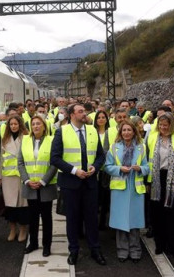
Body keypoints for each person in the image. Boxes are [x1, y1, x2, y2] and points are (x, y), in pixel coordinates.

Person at [50, 103, 107, 266]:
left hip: (90, 182)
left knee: (91, 218)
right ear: (72, 115)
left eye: (85, 111)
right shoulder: (62, 132)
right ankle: (73, 250)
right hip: (70, 183)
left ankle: (95, 249)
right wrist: (75, 171)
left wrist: (95, 167)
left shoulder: (92, 130)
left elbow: (100, 156)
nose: (85, 114)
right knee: (73, 219)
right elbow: (55, 158)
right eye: (80, 111)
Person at [146, 112, 174, 258]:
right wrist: (147, 181)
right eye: (160, 125)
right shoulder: (152, 137)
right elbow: (147, 160)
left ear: (171, 125)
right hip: (157, 180)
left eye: (165, 125)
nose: (163, 128)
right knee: (158, 214)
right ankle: (160, 244)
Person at [105, 120, 149, 263]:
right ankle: (122, 251)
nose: (126, 133)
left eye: (129, 130)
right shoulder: (114, 147)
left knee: (135, 222)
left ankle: (135, 251)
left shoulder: (141, 147)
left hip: (135, 189)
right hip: (120, 189)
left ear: (134, 131)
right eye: (124, 130)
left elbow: (147, 166)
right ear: (120, 132)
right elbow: (107, 166)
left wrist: (140, 169)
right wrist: (119, 169)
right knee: (121, 221)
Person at [18, 115, 58, 257]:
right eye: (33, 124)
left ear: (44, 126)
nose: (36, 126)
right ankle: (33, 243)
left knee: (46, 217)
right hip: (30, 185)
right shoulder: (25, 140)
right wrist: (27, 180)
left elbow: (54, 163)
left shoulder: (51, 140)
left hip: (46, 185)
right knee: (32, 217)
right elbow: (21, 163)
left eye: (38, 124)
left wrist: (43, 181)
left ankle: (47, 245)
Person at [0, 115, 29, 242]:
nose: (13, 126)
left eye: (15, 124)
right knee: (10, 205)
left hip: (23, 176)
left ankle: (23, 229)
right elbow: (1, 159)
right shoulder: (5, 139)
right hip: (8, 177)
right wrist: (0, 176)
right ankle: (12, 229)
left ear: (20, 125)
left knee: (23, 205)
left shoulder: (27, 138)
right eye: (11, 124)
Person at [94, 110, 116, 230]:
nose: (101, 119)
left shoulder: (111, 132)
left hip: (106, 169)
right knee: (96, 197)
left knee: (106, 197)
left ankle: (104, 221)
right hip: (96, 169)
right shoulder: (92, 132)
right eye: (99, 117)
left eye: (103, 117)